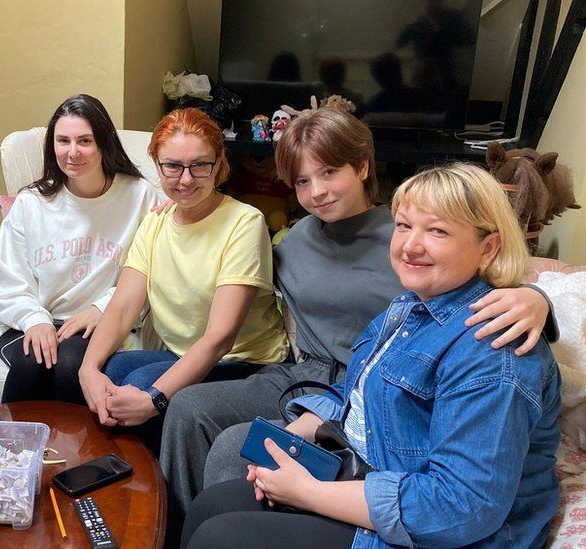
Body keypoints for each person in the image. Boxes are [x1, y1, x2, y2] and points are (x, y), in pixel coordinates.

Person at [160, 108, 553, 522]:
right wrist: (180, 213)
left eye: (329, 172)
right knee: (189, 409)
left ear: (363, 166)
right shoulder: (294, 239)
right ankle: (175, 527)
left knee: (235, 446)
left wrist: (535, 299)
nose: (317, 193)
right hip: (304, 376)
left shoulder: (406, 240)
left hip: (370, 385)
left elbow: (500, 270)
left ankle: (232, 525)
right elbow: (227, 262)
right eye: (302, 182)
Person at [78, 108, 288, 431]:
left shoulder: (245, 223)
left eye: (200, 165)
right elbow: (121, 308)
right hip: (182, 354)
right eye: (173, 166)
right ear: (157, 166)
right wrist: (87, 369)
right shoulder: (155, 223)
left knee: (139, 385)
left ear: (218, 164)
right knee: (111, 370)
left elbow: (220, 338)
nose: (186, 179)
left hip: (246, 363)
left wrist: (155, 400)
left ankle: (154, 480)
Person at [0, 94, 160, 404]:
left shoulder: (140, 196)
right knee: (32, 361)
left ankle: (84, 451)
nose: (72, 152)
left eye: (85, 141)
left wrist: (102, 308)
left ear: (104, 143)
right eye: (63, 140)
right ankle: (14, 447)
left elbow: (152, 272)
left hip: (99, 321)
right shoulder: (31, 202)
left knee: (70, 364)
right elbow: (10, 283)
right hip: (31, 317)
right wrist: (35, 321)